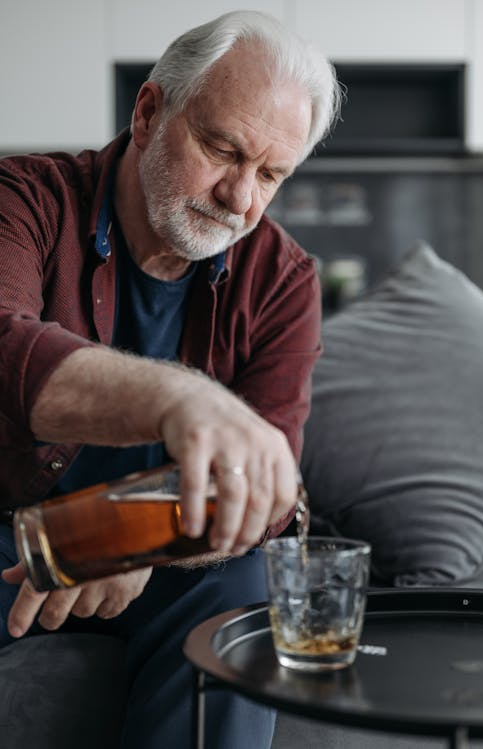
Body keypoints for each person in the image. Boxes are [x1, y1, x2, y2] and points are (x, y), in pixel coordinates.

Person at [0, 9, 341, 749]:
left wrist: (128, 538)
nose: (240, 197)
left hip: (167, 557)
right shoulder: (25, 198)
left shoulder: (283, 280)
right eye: (224, 150)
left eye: (271, 174)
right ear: (150, 110)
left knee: (245, 592)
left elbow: (269, 493)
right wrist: (177, 398)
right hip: (7, 532)